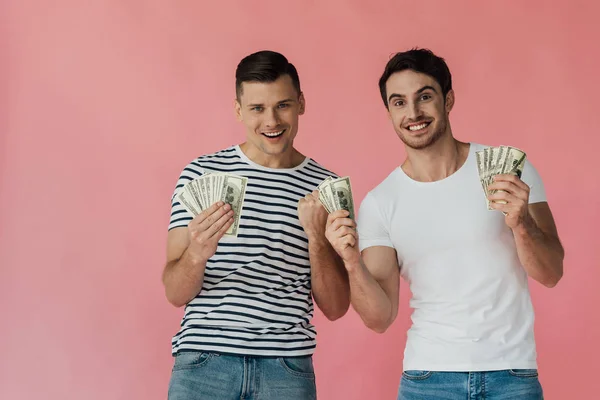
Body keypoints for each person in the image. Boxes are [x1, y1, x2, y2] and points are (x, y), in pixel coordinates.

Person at [325, 48, 564, 400]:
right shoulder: (380, 202)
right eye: (399, 102)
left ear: (448, 99)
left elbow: (552, 272)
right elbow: (379, 318)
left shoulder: (509, 173)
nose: (413, 113)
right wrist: (349, 260)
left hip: (512, 376)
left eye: (424, 97)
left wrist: (521, 223)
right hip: (428, 379)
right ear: (389, 112)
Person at [163, 50, 349, 400]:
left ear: (301, 104)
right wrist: (197, 253)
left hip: (286, 367)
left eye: (283, 105)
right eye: (257, 108)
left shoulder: (326, 189)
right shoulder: (200, 175)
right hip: (204, 360)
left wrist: (317, 241)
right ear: (238, 110)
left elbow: (336, 307)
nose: (271, 120)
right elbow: (174, 293)